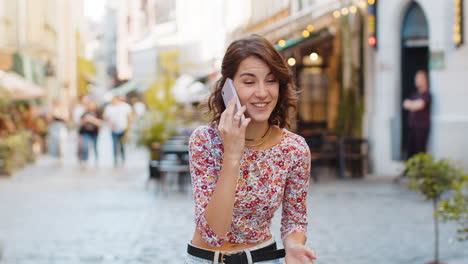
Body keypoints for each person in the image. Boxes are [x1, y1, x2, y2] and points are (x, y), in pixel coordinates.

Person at [186, 34, 316, 264]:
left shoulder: (294, 148)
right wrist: (232, 155)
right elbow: (213, 233)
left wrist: (294, 245)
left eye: (271, 80)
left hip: (264, 258)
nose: (262, 92)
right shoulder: (204, 141)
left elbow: (295, 219)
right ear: (228, 87)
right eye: (249, 82)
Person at [403, 70, 431, 159]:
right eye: (416, 79)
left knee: (420, 150)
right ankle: (410, 170)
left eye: (419, 78)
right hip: (412, 126)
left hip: (421, 127)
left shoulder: (427, 94)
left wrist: (412, 104)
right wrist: (413, 104)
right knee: (410, 150)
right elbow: (405, 104)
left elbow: (420, 105)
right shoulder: (414, 94)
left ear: (425, 80)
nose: (417, 81)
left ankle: (421, 171)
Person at [103, 96, 133, 167]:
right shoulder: (109, 108)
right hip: (113, 130)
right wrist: (110, 124)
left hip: (123, 128)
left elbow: (129, 117)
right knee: (114, 145)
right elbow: (105, 117)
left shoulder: (125, 107)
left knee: (122, 145)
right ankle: (115, 160)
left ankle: (123, 159)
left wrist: (128, 129)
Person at [78, 101, 102, 167]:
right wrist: (84, 120)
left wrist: (91, 120)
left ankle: (96, 159)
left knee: (95, 146)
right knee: (85, 146)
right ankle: (84, 160)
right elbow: (80, 122)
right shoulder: (85, 113)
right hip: (86, 132)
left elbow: (100, 123)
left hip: (94, 132)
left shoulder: (97, 113)